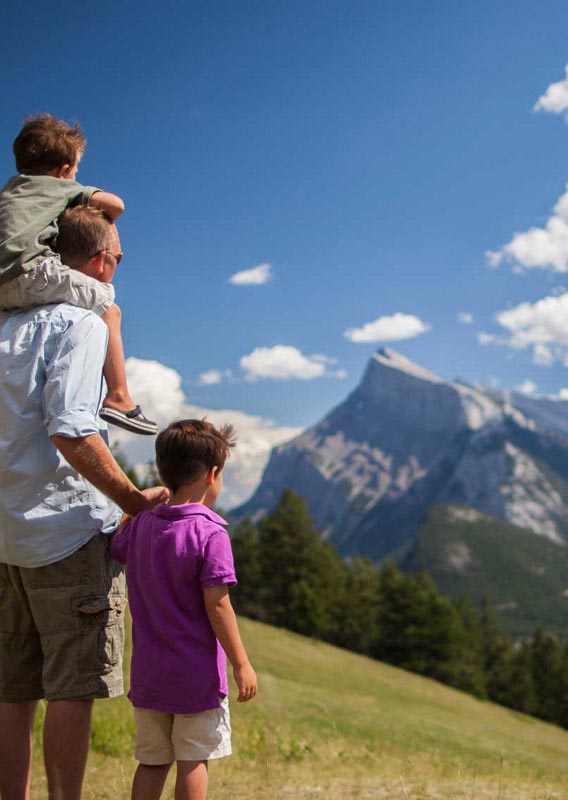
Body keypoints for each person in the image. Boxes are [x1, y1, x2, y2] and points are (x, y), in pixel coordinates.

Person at [0, 205, 168, 800]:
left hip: (5, 538)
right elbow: (71, 426)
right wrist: (131, 499)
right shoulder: (83, 321)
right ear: (101, 263)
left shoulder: (6, 322)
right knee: (71, 688)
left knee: (11, 691)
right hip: (64, 535)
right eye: (117, 260)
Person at [110, 419, 258, 800]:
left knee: (153, 761)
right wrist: (241, 663)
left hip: (148, 675)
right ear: (212, 475)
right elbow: (219, 604)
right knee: (194, 759)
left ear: (163, 471)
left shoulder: (142, 525)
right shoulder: (211, 532)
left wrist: (141, 502)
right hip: (196, 678)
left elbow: (115, 545)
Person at [0, 113, 156, 435]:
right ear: (64, 170)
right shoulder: (57, 188)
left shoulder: (9, 193)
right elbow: (117, 205)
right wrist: (80, 192)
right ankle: (119, 397)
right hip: (30, 271)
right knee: (108, 306)